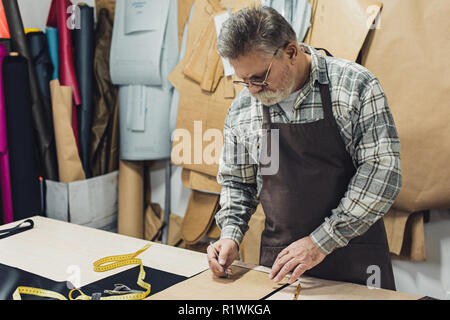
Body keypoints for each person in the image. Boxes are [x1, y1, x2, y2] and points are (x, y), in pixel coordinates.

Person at [206, 6, 401, 290]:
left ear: (292, 52)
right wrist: (230, 236)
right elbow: (239, 183)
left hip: (357, 257)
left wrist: (320, 242)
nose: (252, 90)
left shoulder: (353, 86)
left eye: (259, 77)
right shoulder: (243, 108)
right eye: (243, 80)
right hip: (282, 262)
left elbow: (382, 173)